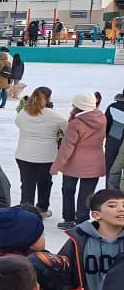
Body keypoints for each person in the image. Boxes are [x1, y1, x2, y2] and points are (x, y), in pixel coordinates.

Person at [54, 93, 108, 229]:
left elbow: (67, 147)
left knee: (68, 189)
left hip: (74, 162)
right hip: (95, 160)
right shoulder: (102, 117)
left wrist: (56, 166)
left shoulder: (76, 123)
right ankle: (82, 219)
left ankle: (69, 219)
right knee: (87, 192)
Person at [15, 87, 67, 216]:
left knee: (27, 183)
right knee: (45, 183)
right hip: (46, 156)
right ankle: (42, 208)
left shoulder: (23, 112)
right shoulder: (54, 115)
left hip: (24, 154)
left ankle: (26, 210)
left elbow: (18, 124)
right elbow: (67, 128)